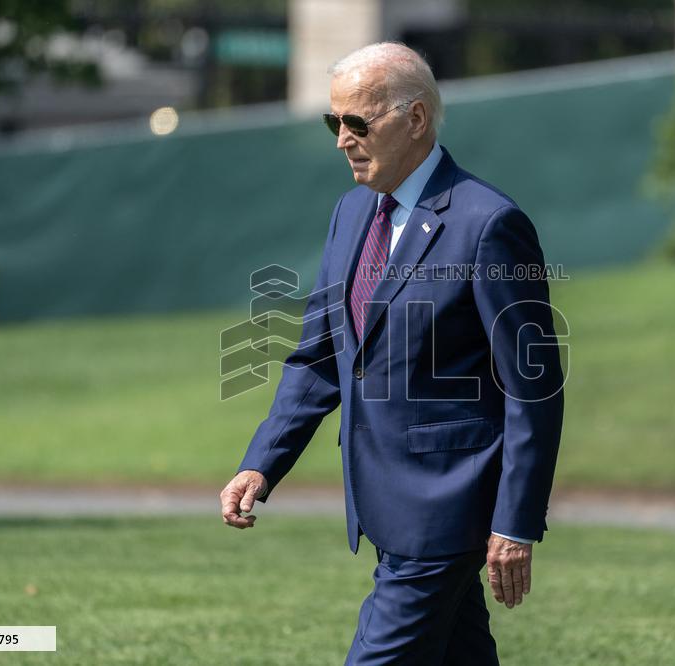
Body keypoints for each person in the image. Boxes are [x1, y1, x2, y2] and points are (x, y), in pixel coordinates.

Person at [220, 42, 564, 665]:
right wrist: (262, 463)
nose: (342, 139)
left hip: (447, 508)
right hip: (384, 505)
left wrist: (514, 523)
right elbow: (321, 356)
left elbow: (532, 388)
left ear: (415, 119)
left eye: (358, 122)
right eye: (334, 122)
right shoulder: (350, 213)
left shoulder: (489, 224)